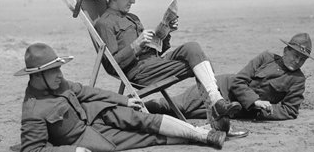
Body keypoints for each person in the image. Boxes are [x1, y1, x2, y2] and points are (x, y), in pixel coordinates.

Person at [94, 0, 241, 130]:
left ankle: (216, 100)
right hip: (140, 72)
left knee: (193, 48)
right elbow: (110, 65)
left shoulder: (132, 18)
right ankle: (218, 115)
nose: (133, 1)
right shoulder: (104, 23)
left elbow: (154, 50)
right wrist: (135, 46)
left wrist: (166, 32)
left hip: (155, 63)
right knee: (199, 62)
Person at [14, 43, 229, 152]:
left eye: (59, 68)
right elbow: (33, 149)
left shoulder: (59, 83)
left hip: (97, 113)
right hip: (84, 138)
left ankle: (204, 136)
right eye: (53, 70)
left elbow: (89, 92)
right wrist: (73, 151)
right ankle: (196, 135)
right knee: (144, 138)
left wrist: (123, 101)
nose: (60, 74)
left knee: (143, 119)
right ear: (37, 75)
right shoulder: (33, 112)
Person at [145, 33, 314, 120]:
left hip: (236, 110)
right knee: (178, 105)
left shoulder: (298, 80)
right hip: (222, 88)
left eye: (302, 59)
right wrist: (256, 101)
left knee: (183, 114)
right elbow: (240, 80)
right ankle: (131, 107)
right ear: (285, 51)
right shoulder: (266, 58)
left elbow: (290, 110)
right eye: (295, 55)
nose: (297, 61)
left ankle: (140, 113)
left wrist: (264, 110)